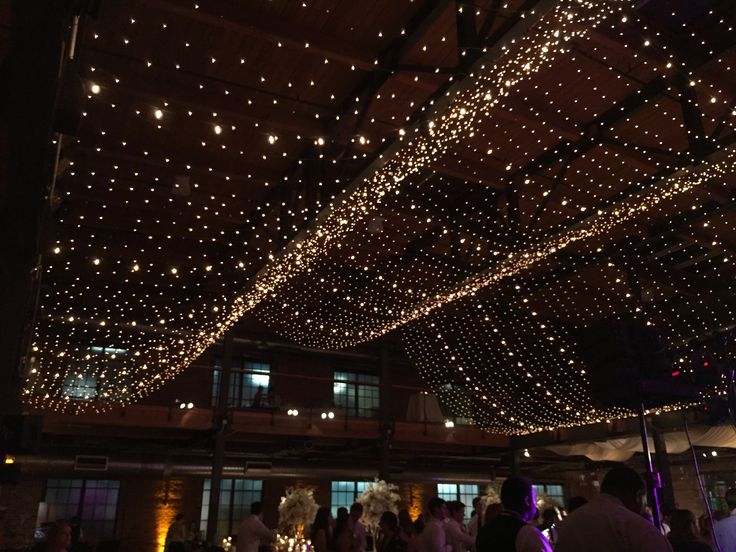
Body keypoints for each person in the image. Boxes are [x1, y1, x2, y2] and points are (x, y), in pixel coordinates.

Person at [555, 466, 672, 552]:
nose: (645, 505)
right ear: (638, 495)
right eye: (644, 498)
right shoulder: (635, 527)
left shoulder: (570, 523)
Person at [476, 476, 551, 552]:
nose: (535, 506)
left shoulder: (485, 530)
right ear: (527, 500)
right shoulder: (527, 532)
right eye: (534, 499)